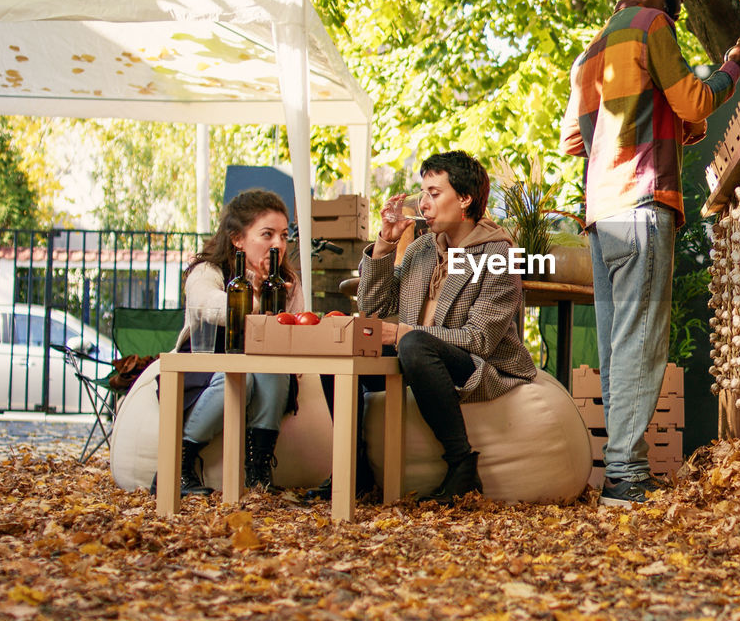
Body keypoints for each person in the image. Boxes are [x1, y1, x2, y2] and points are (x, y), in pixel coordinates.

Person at [560, 0, 740, 506]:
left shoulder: (593, 51)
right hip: (644, 204)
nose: (678, 4)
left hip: (601, 214)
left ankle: (619, 469)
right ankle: (625, 476)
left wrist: (665, 125)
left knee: (615, 346)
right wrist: (733, 69)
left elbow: (578, 140)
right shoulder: (652, 25)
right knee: (641, 345)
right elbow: (695, 98)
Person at [307, 150, 535, 505]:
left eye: (434, 193)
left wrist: (402, 335)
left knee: (413, 342)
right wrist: (385, 242)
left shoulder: (499, 256)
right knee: (347, 345)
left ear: (464, 199)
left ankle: (462, 465)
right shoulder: (421, 250)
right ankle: (355, 470)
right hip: (417, 356)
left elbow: (480, 339)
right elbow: (375, 307)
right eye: (422, 193)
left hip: (477, 363)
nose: (423, 203)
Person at [173, 189, 302, 496]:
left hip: (264, 371)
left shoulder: (286, 282)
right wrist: (254, 299)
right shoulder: (208, 271)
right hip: (205, 370)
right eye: (267, 234)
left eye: (284, 236)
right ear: (237, 239)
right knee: (240, 376)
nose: (278, 245)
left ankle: (258, 469)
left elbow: (296, 329)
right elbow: (209, 304)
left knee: (269, 371)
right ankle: (180, 463)